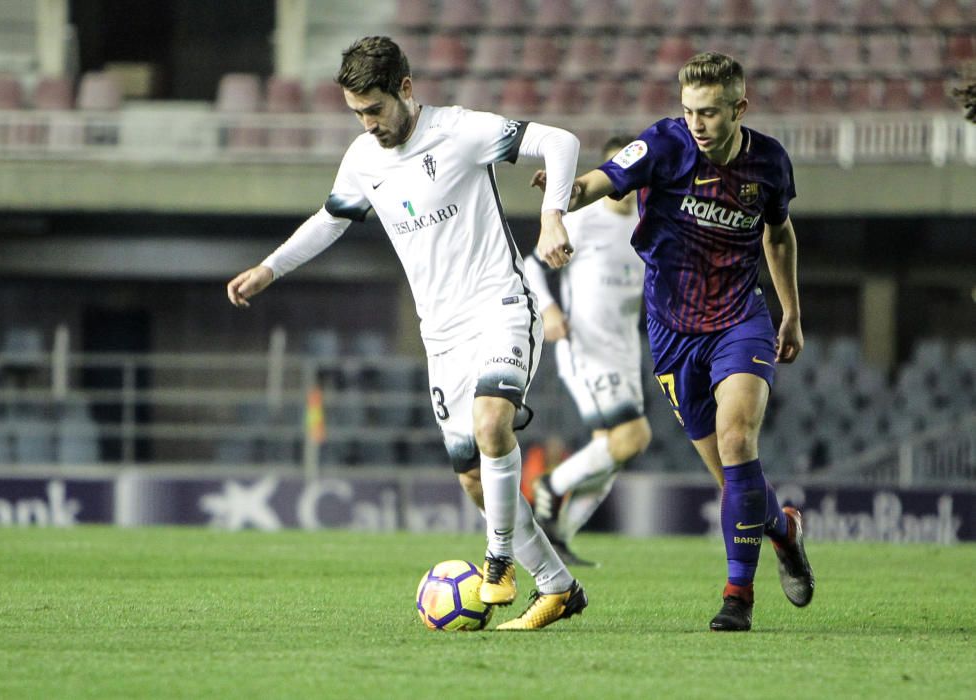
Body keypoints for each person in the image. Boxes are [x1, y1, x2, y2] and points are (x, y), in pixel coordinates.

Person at [226, 36, 586, 630]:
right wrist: (271, 268)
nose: (368, 124)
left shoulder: (461, 131)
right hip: (440, 336)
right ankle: (557, 586)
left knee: (492, 420)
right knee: (474, 476)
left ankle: (497, 561)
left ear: (407, 89)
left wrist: (552, 215)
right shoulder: (365, 159)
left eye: (375, 109)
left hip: (499, 304)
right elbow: (331, 219)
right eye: (357, 113)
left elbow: (560, 140)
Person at [536, 52, 814, 631]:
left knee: (739, 442)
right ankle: (784, 530)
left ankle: (737, 597)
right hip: (672, 332)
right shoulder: (664, 144)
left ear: (740, 107)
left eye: (710, 112)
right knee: (736, 484)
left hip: (741, 319)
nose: (698, 123)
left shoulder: (769, 163)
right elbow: (603, 178)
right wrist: (558, 206)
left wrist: (790, 311)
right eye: (689, 111)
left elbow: (779, 234)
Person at [523, 135, 652, 568]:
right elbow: (531, 264)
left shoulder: (647, 222)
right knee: (633, 437)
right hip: (586, 347)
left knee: (612, 451)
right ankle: (552, 486)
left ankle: (559, 536)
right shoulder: (585, 219)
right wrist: (549, 309)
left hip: (625, 348)